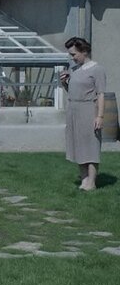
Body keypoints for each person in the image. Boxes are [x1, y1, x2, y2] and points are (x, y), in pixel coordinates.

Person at [60, 36, 106, 191]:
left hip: (88, 110)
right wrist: (65, 83)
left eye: (74, 54)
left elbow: (100, 94)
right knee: (78, 146)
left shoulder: (97, 69)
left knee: (90, 146)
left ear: (84, 51)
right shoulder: (74, 70)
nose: (72, 58)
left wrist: (99, 116)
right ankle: (84, 179)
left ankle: (92, 182)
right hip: (74, 110)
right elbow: (73, 92)